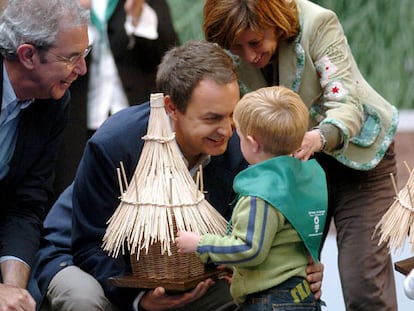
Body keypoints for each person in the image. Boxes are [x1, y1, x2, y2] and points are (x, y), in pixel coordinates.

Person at [31, 41, 324, 311]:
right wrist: (139, 299)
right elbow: (90, 243)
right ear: (172, 107)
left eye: (231, 114)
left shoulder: (244, 149)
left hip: (184, 272)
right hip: (87, 260)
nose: (227, 130)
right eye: (212, 118)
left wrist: (300, 268)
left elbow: (262, 228)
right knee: (85, 300)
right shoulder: (117, 143)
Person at [202, 0, 399, 310]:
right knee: (294, 280)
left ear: (275, 21)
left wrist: (318, 137)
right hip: (292, 168)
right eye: (236, 47)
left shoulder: (318, 23)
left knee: (364, 286)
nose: (249, 56)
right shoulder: (227, 41)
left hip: (357, 160)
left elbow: (346, 104)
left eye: (254, 42)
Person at [176, 85, 328, 309]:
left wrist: (200, 244)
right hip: (301, 294)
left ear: (253, 142)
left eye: (239, 137)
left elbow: (250, 248)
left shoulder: (261, 193)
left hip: (271, 299)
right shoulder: (301, 179)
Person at [0, 0, 90, 310]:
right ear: (27, 55)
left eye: (85, 54)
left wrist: (12, 290)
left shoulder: (53, 101)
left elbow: (27, 202)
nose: (82, 69)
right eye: (71, 58)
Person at [53, 0, 178, 198]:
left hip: (138, 117)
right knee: (79, 193)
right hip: (79, 119)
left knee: (148, 193)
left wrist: (138, 16)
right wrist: (71, 15)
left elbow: (168, 55)